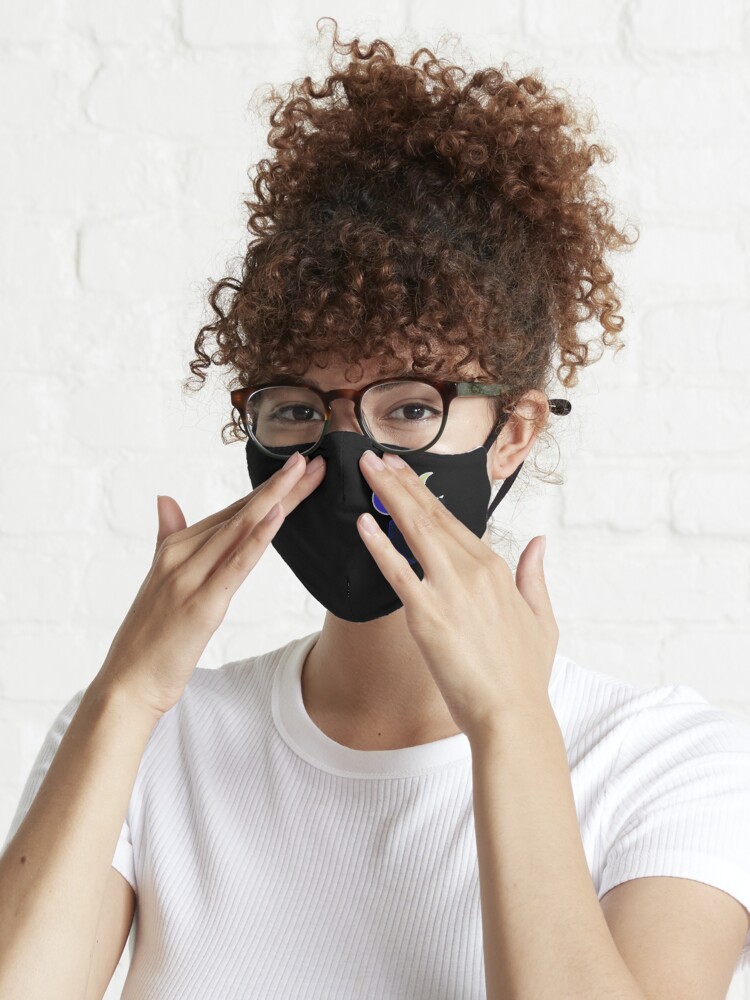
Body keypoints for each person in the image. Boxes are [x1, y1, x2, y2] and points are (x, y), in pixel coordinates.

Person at [2, 18, 750, 1000]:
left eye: (409, 408)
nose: (350, 458)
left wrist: (511, 722)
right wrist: (126, 694)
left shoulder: (664, 766)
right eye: (303, 409)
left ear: (514, 432)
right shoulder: (149, 738)